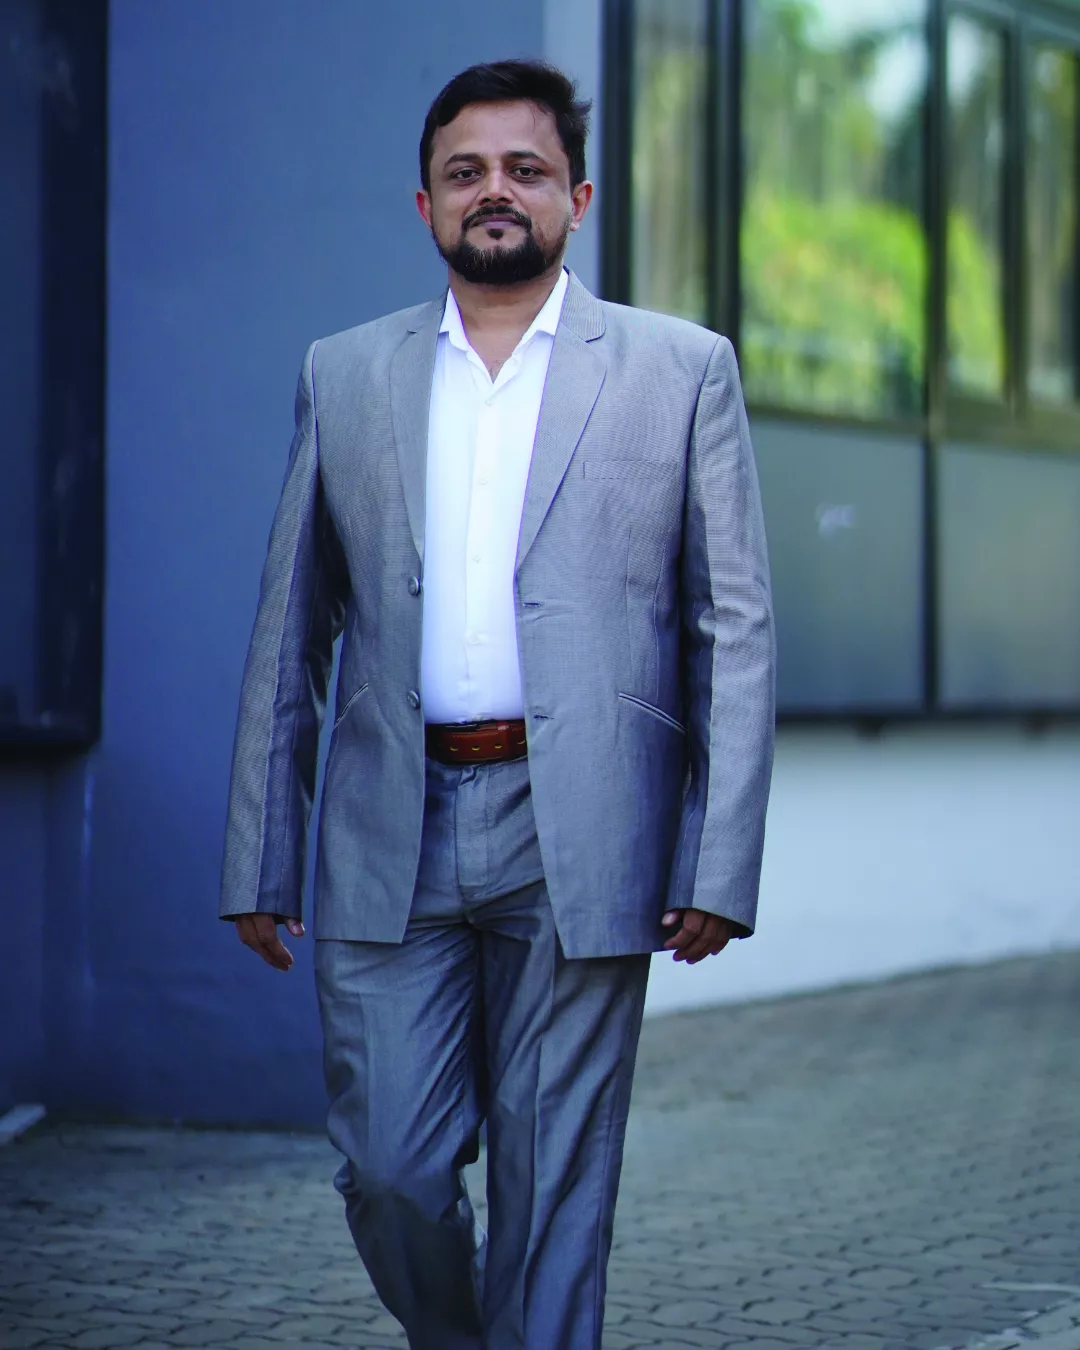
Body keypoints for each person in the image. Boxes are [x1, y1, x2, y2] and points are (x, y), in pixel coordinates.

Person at [220, 58, 774, 1350]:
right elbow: (289, 622)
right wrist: (260, 846)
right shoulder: (345, 371)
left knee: (557, 1187)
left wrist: (718, 856)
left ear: (576, 198)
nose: (495, 192)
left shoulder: (680, 370)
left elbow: (731, 629)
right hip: (384, 825)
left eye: (524, 169)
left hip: (580, 828)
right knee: (393, 1173)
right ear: (424, 205)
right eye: (465, 171)